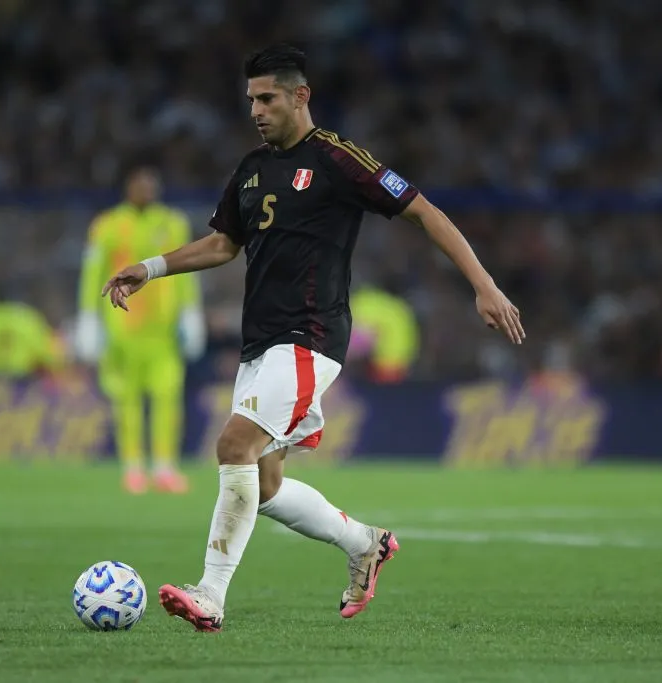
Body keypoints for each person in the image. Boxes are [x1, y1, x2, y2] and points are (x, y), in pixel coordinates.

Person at [101, 44, 525, 631]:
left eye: (267, 98)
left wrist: (484, 285)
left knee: (233, 446)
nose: (256, 110)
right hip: (260, 343)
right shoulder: (251, 168)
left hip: (310, 335)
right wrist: (149, 268)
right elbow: (223, 244)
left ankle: (211, 595)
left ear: (300, 96)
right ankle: (365, 543)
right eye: (251, 100)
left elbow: (424, 211)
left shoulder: (338, 159)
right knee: (265, 484)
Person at [76, 165, 206, 494]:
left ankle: (164, 467)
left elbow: (187, 270)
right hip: (122, 329)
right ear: (128, 189)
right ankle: (133, 467)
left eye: (152, 186)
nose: (147, 191)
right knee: (126, 400)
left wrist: (191, 311)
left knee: (167, 398)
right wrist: (88, 316)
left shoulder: (173, 222)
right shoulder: (107, 225)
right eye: (141, 186)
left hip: (163, 331)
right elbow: (93, 272)